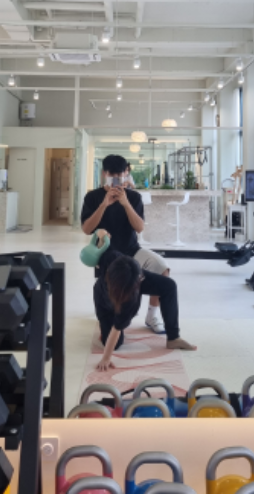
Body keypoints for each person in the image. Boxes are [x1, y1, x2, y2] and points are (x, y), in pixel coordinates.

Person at [81, 153, 170, 334]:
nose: (116, 178)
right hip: (105, 253)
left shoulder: (134, 197)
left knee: (162, 267)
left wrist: (125, 203)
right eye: (112, 175)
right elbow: (86, 229)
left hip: (132, 250)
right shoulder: (92, 197)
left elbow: (139, 228)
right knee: (117, 280)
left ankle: (152, 315)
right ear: (104, 174)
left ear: (126, 174)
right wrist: (104, 204)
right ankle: (109, 314)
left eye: (120, 175)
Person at [94, 248, 196, 370]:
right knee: (114, 344)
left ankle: (173, 337)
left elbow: (118, 326)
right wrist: (106, 358)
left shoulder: (132, 274)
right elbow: (116, 329)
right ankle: (105, 326)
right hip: (105, 304)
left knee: (169, 286)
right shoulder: (111, 285)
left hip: (129, 280)